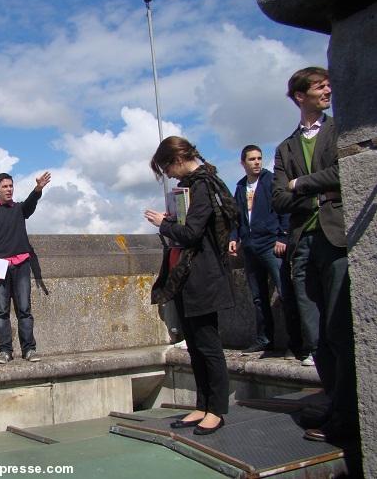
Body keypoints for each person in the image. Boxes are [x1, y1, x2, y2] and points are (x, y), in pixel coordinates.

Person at [273, 67, 357, 442]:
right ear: (298, 96)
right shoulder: (285, 148)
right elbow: (277, 197)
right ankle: (336, 402)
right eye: (320, 86)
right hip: (301, 243)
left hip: (335, 237)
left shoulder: (341, 130)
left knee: (340, 329)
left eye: (329, 84)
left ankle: (349, 415)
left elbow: (345, 172)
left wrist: (301, 184)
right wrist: (317, 190)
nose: (328, 90)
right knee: (314, 332)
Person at [145, 136, 235, 435]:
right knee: (195, 346)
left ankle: (217, 410)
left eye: (167, 167)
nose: (168, 174)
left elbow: (193, 232)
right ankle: (203, 404)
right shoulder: (194, 185)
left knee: (208, 346)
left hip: (203, 275)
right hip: (188, 276)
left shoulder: (203, 185)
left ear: (178, 159)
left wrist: (164, 223)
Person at [229, 145, 301, 359]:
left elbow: (284, 208)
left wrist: (283, 236)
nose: (257, 162)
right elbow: (237, 216)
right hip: (251, 245)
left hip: (271, 243)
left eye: (259, 158)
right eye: (252, 159)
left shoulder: (271, 181)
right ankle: (264, 340)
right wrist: (234, 238)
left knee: (285, 292)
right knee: (258, 297)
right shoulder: (241, 186)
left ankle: (296, 344)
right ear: (243, 163)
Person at [0, 171, 51, 364]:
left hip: (21, 266)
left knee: (24, 310)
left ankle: (29, 350)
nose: (9, 189)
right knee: (2, 311)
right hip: (0, 268)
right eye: (5, 186)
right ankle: (5, 351)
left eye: (11, 186)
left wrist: (38, 189)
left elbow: (30, 205)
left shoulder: (19, 210)